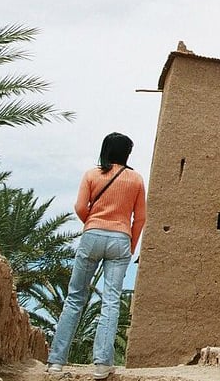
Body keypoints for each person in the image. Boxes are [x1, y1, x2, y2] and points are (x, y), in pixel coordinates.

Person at [47, 133, 147, 379]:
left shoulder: (91, 175)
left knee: (74, 298)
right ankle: (102, 364)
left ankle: (56, 362)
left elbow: (80, 207)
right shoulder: (135, 179)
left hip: (92, 236)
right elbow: (141, 217)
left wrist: (92, 223)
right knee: (111, 301)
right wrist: (131, 244)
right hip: (121, 238)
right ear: (126, 154)